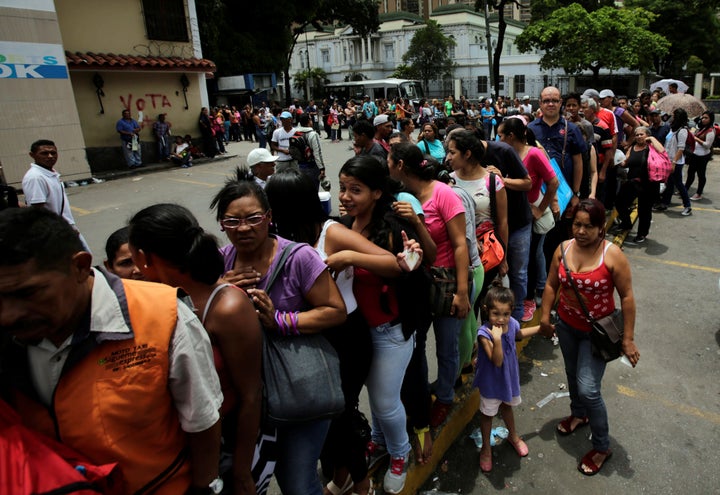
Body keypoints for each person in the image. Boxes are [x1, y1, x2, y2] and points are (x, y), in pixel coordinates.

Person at [0, 207, 224, 495]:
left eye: (27, 294)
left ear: (80, 267)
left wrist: (205, 488)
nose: (7, 315)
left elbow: (203, 422)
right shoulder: (10, 336)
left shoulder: (165, 316)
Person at [266, 169, 414, 495]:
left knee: (339, 416)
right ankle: (341, 474)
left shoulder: (329, 232)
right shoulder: (273, 236)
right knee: (317, 420)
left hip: (346, 337)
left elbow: (392, 263)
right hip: (305, 335)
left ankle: (361, 484)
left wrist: (348, 256)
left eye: (270, 202)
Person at [210, 170, 346, 495]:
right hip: (249, 399)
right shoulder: (221, 261)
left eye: (252, 218)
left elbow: (335, 310)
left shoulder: (298, 257)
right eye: (232, 221)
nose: (243, 228)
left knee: (297, 483)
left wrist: (280, 320)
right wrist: (218, 289)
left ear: (268, 217)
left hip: (297, 389)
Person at [128, 203, 267, 495]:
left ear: (143, 258)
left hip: (226, 445)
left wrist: (241, 472)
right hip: (177, 448)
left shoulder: (227, 306)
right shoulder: (153, 302)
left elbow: (251, 395)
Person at [338, 155, 427, 494]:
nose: (346, 196)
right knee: (370, 399)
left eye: (355, 190)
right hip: (356, 332)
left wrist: (411, 260)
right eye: (343, 188)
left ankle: (400, 453)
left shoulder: (393, 228)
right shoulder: (345, 224)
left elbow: (412, 266)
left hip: (391, 331)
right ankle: (377, 440)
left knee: (385, 401)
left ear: (377, 193)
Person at [539, 198, 639, 476]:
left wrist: (628, 339)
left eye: (588, 226)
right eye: (577, 225)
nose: (581, 231)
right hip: (567, 327)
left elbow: (627, 297)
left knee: (589, 388)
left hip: (597, 334)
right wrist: (546, 316)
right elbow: (550, 285)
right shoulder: (563, 249)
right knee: (572, 374)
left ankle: (603, 446)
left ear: (600, 229)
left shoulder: (612, 254)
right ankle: (578, 414)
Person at [387, 142, 471, 429]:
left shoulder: (442, 193)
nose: (386, 164)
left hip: (447, 281)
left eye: (389, 159)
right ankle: (421, 398)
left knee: (446, 347)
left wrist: (461, 293)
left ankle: (445, 395)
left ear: (400, 166)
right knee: (417, 346)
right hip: (419, 283)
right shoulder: (403, 195)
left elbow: (460, 245)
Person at [497, 117, 559, 322]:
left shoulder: (533, 153)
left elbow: (553, 182)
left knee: (529, 260)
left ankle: (529, 298)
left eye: (500, 135)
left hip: (528, 214)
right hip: (510, 214)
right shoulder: (505, 154)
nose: (498, 139)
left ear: (511, 136)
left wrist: (541, 209)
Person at [474, 283, 541, 472]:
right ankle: (486, 449)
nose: (501, 319)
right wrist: (496, 339)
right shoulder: (485, 334)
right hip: (491, 384)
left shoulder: (511, 324)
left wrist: (539, 329)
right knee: (488, 416)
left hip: (508, 379)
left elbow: (518, 334)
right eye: (496, 314)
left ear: (511, 311)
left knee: (507, 408)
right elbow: (496, 361)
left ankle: (513, 436)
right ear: (487, 311)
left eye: (505, 314)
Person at [22, 139, 91, 252]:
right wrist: (61, 229)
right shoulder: (36, 177)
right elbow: (37, 210)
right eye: (44, 153)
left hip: (64, 227)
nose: (50, 156)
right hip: (57, 231)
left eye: (53, 153)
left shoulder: (50, 173)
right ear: (32, 155)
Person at [614, 126, 663, 243]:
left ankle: (642, 234)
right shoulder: (632, 147)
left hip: (648, 184)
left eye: (642, 134)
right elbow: (626, 162)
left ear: (647, 135)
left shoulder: (652, 148)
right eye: (637, 135)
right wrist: (617, 161)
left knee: (644, 210)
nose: (639, 136)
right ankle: (626, 224)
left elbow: (662, 151)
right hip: (632, 182)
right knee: (620, 202)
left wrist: (651, 138)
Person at [655, 108, 692, 216]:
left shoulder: (683, 131)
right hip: (668, 160)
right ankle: (665, 203)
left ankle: (687, 205)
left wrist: (674, 162)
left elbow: (681, 148)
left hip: (676, 162)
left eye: (675, 116)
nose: (672, 118)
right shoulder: (673, 129)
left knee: (679, 184)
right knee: (669, 183)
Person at [685, 111, 716, 200]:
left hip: (703, 156)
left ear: (711, 119)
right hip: (695, 154)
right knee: (690, 173)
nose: (703, 119)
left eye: (706, 118)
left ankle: (699, 193)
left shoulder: (710, 130)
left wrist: (697, 139)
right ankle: (685, 188)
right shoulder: (702, 128)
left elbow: (707, 145)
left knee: (701, 174)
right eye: (702, 117)